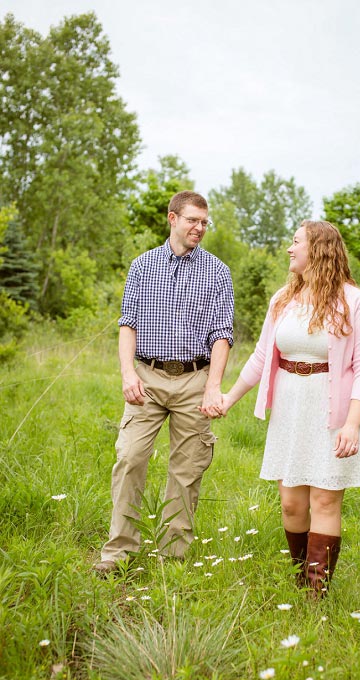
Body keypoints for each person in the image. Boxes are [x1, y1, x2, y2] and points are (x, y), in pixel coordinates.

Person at [220, 220, 360, 597]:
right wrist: (229, 398)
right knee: (292, 505)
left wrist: (352, 424)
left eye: (296, 243)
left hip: (333, 411)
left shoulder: (353, 300)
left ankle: (315, 593)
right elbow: (262, 357)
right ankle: (299, 578)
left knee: (324, 498)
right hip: (291, 409)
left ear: (319, 250)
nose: (289, 249)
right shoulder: (282, 300)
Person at [93, 191, 235, 575]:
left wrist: (213, 386)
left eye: (204, 222)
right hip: (147, 378)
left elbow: (222, 335)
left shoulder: (217, 272)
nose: (200, 228)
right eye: (192, 220)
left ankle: (173, 557)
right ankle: (118, 553)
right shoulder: (142, 266)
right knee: (130, 457)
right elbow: (128, 325)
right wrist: (127, 374)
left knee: (187, 470)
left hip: (194, 379)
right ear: (172, 219)